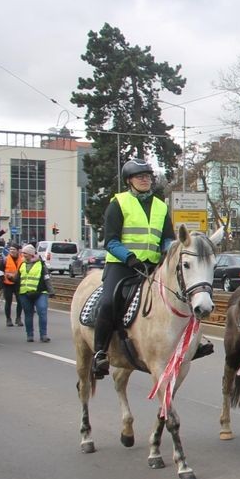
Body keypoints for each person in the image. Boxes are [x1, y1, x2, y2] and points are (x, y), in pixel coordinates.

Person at [92, 159, 177, 378]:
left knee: (179, 296)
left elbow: (167, 238)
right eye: (140, 177)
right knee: (110, 302)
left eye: (148, 176)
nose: (145, 180)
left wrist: (169, 252)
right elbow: (110, 241)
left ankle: (189, 344)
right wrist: (129, 258)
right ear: (129, 181)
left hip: (152, 266)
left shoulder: (160, 205)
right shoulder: (118, 203)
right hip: (123, 265)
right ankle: (100, 352)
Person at [16, 244, 53, 343]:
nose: (23, 255)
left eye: (25, 253)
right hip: (25, 293)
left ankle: (43, 335)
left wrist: (51, 291)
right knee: (28, 314)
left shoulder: (41, 264)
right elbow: (18, 278)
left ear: (31, 254)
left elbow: (47, 278)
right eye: (23, 253)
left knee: (42, 312)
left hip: (40, 292)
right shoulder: (22, 264)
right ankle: (30, 335)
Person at [2, 244, 24, 327]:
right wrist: (1, 283)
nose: (11, 251)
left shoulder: (22, 260)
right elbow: (0, 271)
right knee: (8, 302)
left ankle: (18, 318)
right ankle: (8, 319)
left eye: (13, 249)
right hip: (7, 284)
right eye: (10, 249)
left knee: (20, 301)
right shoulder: (5, 259)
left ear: (18, 250)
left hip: (18, 284)